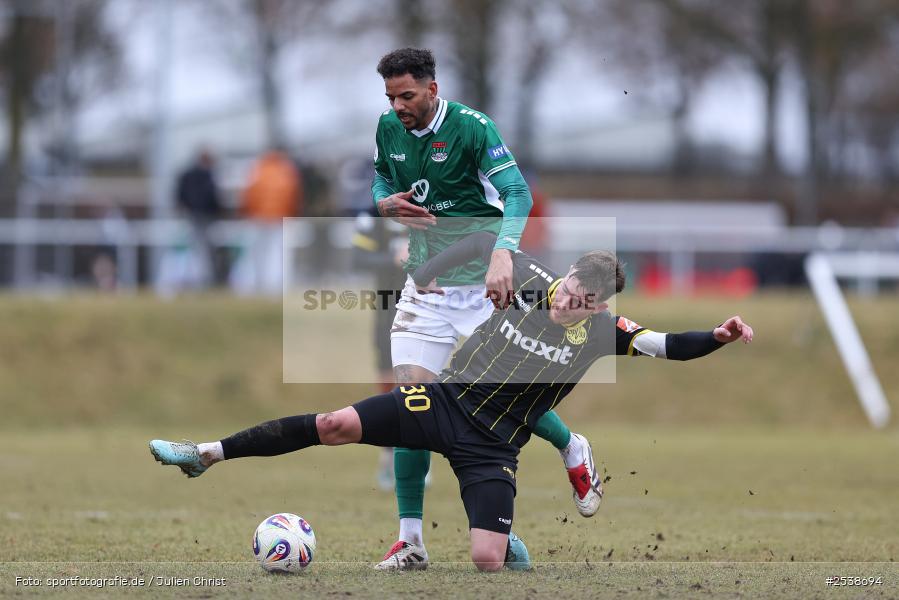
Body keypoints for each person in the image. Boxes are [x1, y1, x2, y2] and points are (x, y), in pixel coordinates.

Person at [149, 231, 754, 572]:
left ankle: (507, 533)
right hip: (440, 402)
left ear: (598, 306)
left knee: (486, 561)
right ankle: (207, 452)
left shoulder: (604, 334)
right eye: (570, 288)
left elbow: (669, 344)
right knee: (334, 423)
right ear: (566, 275)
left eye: (583, 301)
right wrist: (431, 272)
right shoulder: (529, 277)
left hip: (493, 447)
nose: (568, 302)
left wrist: (719, 337)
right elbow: (480, 243)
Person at [369, 47, 597, 570]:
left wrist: (502, 252)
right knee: (413, 409)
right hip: (425, 289)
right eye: (390, 96)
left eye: (407, 95)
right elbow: (381, 178)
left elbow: (517, 193)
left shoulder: (472, 128)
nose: (398, 106)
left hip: (483, 288)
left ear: (432, 87)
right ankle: (411, 542)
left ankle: (571, 446)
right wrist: (383, 200)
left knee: (502, 397)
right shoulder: (387, 127)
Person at [351, 207, 409, 489]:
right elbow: (357, 258)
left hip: (428, 307)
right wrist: (393, 259)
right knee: (388, 381)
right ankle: (389, 455)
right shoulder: (373, 214)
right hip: (388, 308)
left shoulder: (434, 203)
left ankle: (415, 454)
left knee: (419, 381)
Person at [231, 148, 301, 296]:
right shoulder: (286, 172)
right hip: (280, 217)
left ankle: (254, 283)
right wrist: (291, 214)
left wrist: (246, 212)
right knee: (277, 252)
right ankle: (275, 284)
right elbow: (293, 196)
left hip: (258, 217)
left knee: (256, 253)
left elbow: (248, 195)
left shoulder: (257, 170)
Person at [175, 149, 222, 288]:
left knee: (197, 249)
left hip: (193, 216)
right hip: (203, 217)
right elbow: (212, 198)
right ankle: (201, 279)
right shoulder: (207, 176)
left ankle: (196, 278)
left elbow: (180, 195)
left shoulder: (188, 175)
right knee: (202, 250)